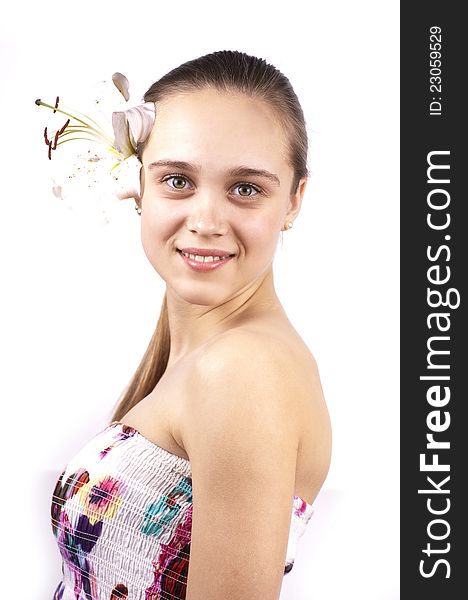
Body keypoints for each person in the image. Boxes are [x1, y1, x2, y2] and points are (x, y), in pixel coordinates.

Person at [50, 49, 331, 600]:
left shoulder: (243, 371)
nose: (204, 221)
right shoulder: (204, 355)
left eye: (245, 188)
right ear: (140, 187)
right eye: (177, 180)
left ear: (294, 200)